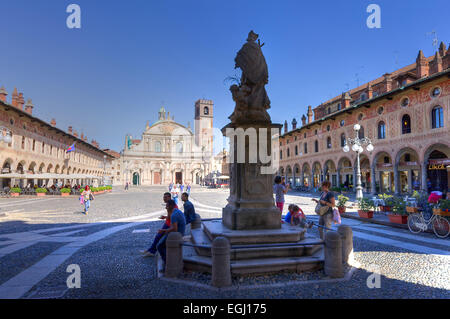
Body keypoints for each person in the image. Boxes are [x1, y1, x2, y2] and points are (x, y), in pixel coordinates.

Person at [141, 192, 178, 257]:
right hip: (167, 223)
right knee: (158, 236)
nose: (164, 198)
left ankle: (152, 251)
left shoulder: (173, 206)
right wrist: (165, 217)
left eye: (165, 197)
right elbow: (170, 216)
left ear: (169, 197)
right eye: (163, 197)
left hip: (169, 225)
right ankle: (150, 250)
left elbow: (174, 218)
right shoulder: (169, 204)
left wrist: (166, 228)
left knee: (158, 237)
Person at [156, 199, 186, 271]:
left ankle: (167, 263)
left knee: (159, 246)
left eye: (167, 206)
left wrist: (163, 231)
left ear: (170, 206)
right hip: (179, 232)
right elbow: (173, 223)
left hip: (177, 234)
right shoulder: (176, 211)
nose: (165, 208)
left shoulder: (173, 215)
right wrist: (166, 217)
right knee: (162, 244)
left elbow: (174, 229)